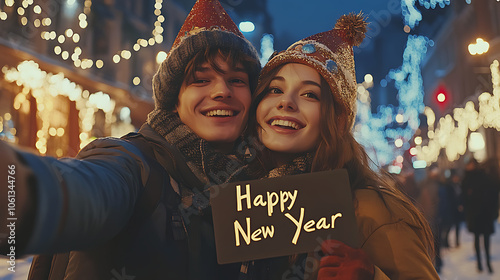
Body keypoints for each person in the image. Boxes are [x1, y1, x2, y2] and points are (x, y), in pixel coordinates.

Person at [0, 0, 262, 279]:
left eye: (237, 80)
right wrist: (22, 191)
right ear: (174, 100)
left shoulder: (254, 186)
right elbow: (83, 190)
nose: (222, 91)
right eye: (201, 80)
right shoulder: (131, 162)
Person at [247, 13, 439, 279]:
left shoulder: (371, 211)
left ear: (338, 121)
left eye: (309, 94)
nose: (286, 102)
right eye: (275, 90)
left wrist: (371, 276)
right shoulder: (242, 203)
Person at [462, 158, 499, 273]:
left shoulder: (470, 178)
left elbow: (465, 198)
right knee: (482, 239)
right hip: (482, 213)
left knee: (479, 239)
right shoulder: (482, 177)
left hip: (478, 214)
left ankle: (482, 264)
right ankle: (484, 263)